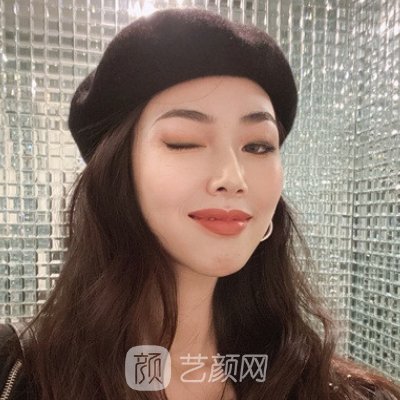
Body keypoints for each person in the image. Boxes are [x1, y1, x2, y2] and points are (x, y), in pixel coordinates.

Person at [0, 7, 399, 400]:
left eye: (258, 146)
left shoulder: (342, 392)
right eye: (184, 142)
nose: (233, 178)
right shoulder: (16, 374)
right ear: (117, 172)